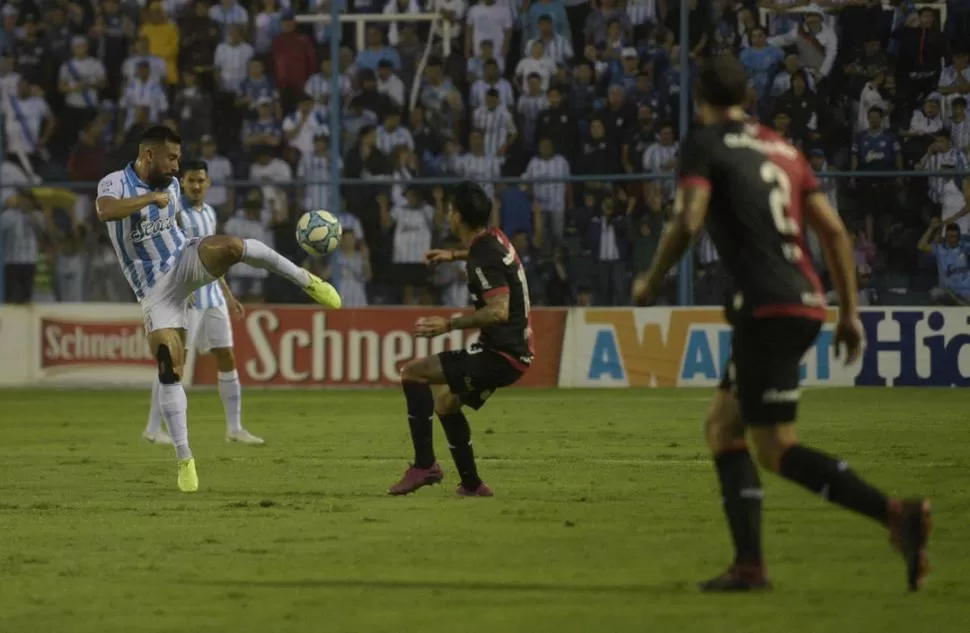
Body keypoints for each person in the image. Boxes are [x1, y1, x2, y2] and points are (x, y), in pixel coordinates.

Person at [631, 56, 931, 592]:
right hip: (805, 302)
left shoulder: (705, 142)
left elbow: (689, 218)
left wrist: (652, 280)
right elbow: (836, 233)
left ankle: (894, 515)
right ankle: (750, 564)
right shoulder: (785, 148)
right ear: (747, 95)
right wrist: (850, 316)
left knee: (774, 447)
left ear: (699, 98)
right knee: (724, 426)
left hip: (766, 307)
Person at [95, 126, 340, 493]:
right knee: (169, 364)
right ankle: (185, 458)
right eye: (172, 158)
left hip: (184, 260)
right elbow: (105, 211)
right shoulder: (114, 182)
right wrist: (149, 200)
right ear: (149, 156)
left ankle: (306, 280)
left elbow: (173, 228)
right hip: (154, 291)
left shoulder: (172, 186)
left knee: (233, 246)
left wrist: (218, 283)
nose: (177, 167)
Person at [388, 181, 533, 497]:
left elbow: (500, 311)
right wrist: (453, 255)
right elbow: (484, 257)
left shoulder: (484, 256)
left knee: (413, 373)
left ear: (458, 217)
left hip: (500, 355)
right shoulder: (493, 238)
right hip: (512, 351)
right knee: (445, 401)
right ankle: (471, 485)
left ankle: (424, 465)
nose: (448, 215)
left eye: (451, 210)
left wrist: (449, 324)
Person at [142, 159, 266, 447]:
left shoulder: (209, 213)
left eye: (201, 181)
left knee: (226, 356)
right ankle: (152, 428)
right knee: (173, 363)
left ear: (209, 183)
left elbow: (211, 258)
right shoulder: (174, 213)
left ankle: (234, 428)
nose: (196, 186)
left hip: (212, 297)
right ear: (181, 183)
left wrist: (228, 293)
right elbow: (168, 254)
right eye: (191, 181)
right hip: (187, 299)